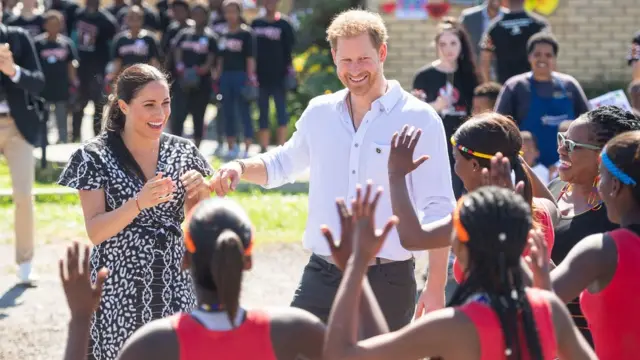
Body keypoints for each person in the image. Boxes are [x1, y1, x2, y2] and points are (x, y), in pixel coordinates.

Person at [210, 9, 455, 331]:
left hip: (388, 278)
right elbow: (283, 163)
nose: (355, 70)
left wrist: (435, 285)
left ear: (382, 53)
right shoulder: (320, 112)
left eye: (363, 59)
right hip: (323, 274)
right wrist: (240, 167)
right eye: (346, 61)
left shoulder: (420, 118)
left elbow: (438, 206)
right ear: (334, 57)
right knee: (292, 350)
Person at [61, 197, 389, 360]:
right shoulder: (293, 329)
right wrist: (355, 267)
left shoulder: (154, 343)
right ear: (248, 259)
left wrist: (80, 320)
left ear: (185, 259)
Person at [323, 184, 596, 360]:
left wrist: (357, 263)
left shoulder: (453, 326)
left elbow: (341, 354)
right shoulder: (548, 310)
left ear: (460, 246)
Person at [57, 64, 214, 360]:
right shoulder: (94, 156)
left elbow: (198, 228)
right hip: (118, 288)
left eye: (165, 103)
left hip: (175, 283)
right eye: (150, 105)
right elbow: (96, 231)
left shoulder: (184, 151)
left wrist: (201, 196)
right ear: (124, 106)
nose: (160, 114)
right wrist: (138, 203)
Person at [388, 114, 555, 299]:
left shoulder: (475, 217)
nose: (455, 167)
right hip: (537, 322)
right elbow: (552, 204)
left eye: (455, 158)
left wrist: (396, 175)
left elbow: (414, 238)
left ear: (474, 164)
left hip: (489, 323)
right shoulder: (541, 210)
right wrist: (513, 158)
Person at [526, 130, 640, 359]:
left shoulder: (601, 251)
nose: (599, 187)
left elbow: (538, 311)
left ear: (615, 186)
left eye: (602, 176)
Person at [495, 32, 590, 168]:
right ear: (529, 57)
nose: (542, 59)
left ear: (555, 59)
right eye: (537, 54)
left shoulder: (570, 85)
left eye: (548, 55)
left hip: (568, 167)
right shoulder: (516, 86)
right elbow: (499, 127)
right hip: (528, 169)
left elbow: (588, 125)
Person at [0, 0, 45, 284]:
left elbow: (39, 82)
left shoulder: (18, 37)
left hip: (17, 126)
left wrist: (12, 70)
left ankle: (25, 262)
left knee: (24, 197)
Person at [412, 17, 479, 200]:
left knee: (459, 188)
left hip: (462, 142)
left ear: (461, 45)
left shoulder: (470, 75)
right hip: (433, 139)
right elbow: (415, 112)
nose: (448, 49)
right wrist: (436, 106)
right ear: (436, 46)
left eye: (453, 43)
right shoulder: (424, 76)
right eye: (443, 44)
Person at [171, 2, 217, 149]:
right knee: (178, 114)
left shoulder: (211, 36)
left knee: (198, 116)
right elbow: (176, 50)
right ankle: (176, 145)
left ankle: (196, 147)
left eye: (201, 14)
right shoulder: (184, 33)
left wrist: (204, 68)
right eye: (195, 13)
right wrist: (180, 66)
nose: (198, 17)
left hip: (201, 83)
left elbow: (212, 57)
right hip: (182, 81)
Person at [69, 0, 117, 141]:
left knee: (98, 103)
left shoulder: (107, 21)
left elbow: (112, 46)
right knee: (78, 102)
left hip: (98, 68)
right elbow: (72, 38)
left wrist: (109, 67)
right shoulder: (78, 15)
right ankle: (75, 136)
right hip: (80, 67)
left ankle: (97, 138)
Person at [252, 0, 295, 151]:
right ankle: (263, 148)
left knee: (281, 111)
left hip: (280, 76)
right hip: (260, 77)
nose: (269, 3)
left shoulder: (285, 24)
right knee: (262, 112)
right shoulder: (256, 24)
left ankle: (281, 147)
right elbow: (251, 52)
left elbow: (290, 51)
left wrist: (290, 71)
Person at [218, 0, 256, 159]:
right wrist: (217, 77)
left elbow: (250, 58)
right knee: (227, 112)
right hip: (226, 76)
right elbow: (220, 58)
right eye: (227, 11)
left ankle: (247, 148)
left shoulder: (246, 33)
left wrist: (250, 78)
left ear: (239, 12)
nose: (230, 15)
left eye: (233, 11)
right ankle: (231, 146)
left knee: (244, 111)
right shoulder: (222, 34)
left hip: (241, 76)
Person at [34, 10, 78, 144]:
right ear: (45, 25)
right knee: (43, 118)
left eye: (57, 24)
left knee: (62, 117)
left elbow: (72, 64)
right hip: (43, 87)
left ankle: (63, 143)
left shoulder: (67, 43)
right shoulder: (37, 43)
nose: (54, 27)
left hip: (61, 86)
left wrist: (73, 83)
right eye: (51, 24)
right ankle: (42, 145)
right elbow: (33, 64)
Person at [479, 0, 549, 84]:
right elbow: (549, 55)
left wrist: (488, 86)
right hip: (534, 85)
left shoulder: (494, 27)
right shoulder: (539, 24)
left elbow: (485, 60)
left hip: (506, 85)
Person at [108, 5, 161, 80]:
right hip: (125, 78)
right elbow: (117, 62)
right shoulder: (120, 39)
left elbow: (154, 62)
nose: (135, 19)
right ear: (126, 19)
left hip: (145, 78)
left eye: (138, 17)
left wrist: (156, 79)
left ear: (142, 19)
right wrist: (112, 77)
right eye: (131, 17)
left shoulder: (149, 38)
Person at [459, 0, 505, 82]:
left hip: (502, 72)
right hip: (474, 73)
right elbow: (460, 42)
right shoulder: (469, 17)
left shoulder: (509, 16)